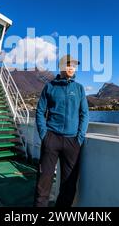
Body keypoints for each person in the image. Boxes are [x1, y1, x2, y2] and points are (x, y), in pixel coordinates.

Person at [33, 54, 89, 207]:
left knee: (69, 185)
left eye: (74, 65)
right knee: (43, 183)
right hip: (51, 139)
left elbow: (84, 114)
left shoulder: (79, 88)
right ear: (61, 67)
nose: (72, 67)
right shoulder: (50, 87)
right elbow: (40, 111)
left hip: (72, 142)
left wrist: (79, 138)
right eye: (68, 64)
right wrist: (44, 135)